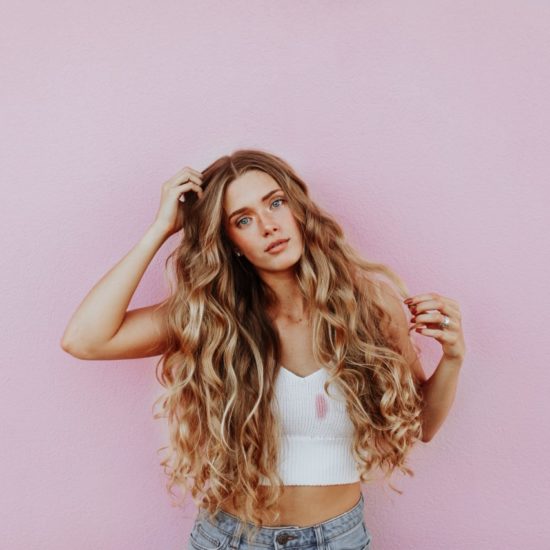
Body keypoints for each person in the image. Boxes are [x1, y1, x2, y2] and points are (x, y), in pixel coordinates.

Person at [61, 149, 465, 549]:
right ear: (230, 241)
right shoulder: (211, 318)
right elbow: (85, 339)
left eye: (275, 203)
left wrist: (452, 358)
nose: (269, 226)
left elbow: (422, 426)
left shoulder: (370, 305)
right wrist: (161, 228)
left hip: (338, 539)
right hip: (232, 538)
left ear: (298, 209)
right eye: (244, 219)